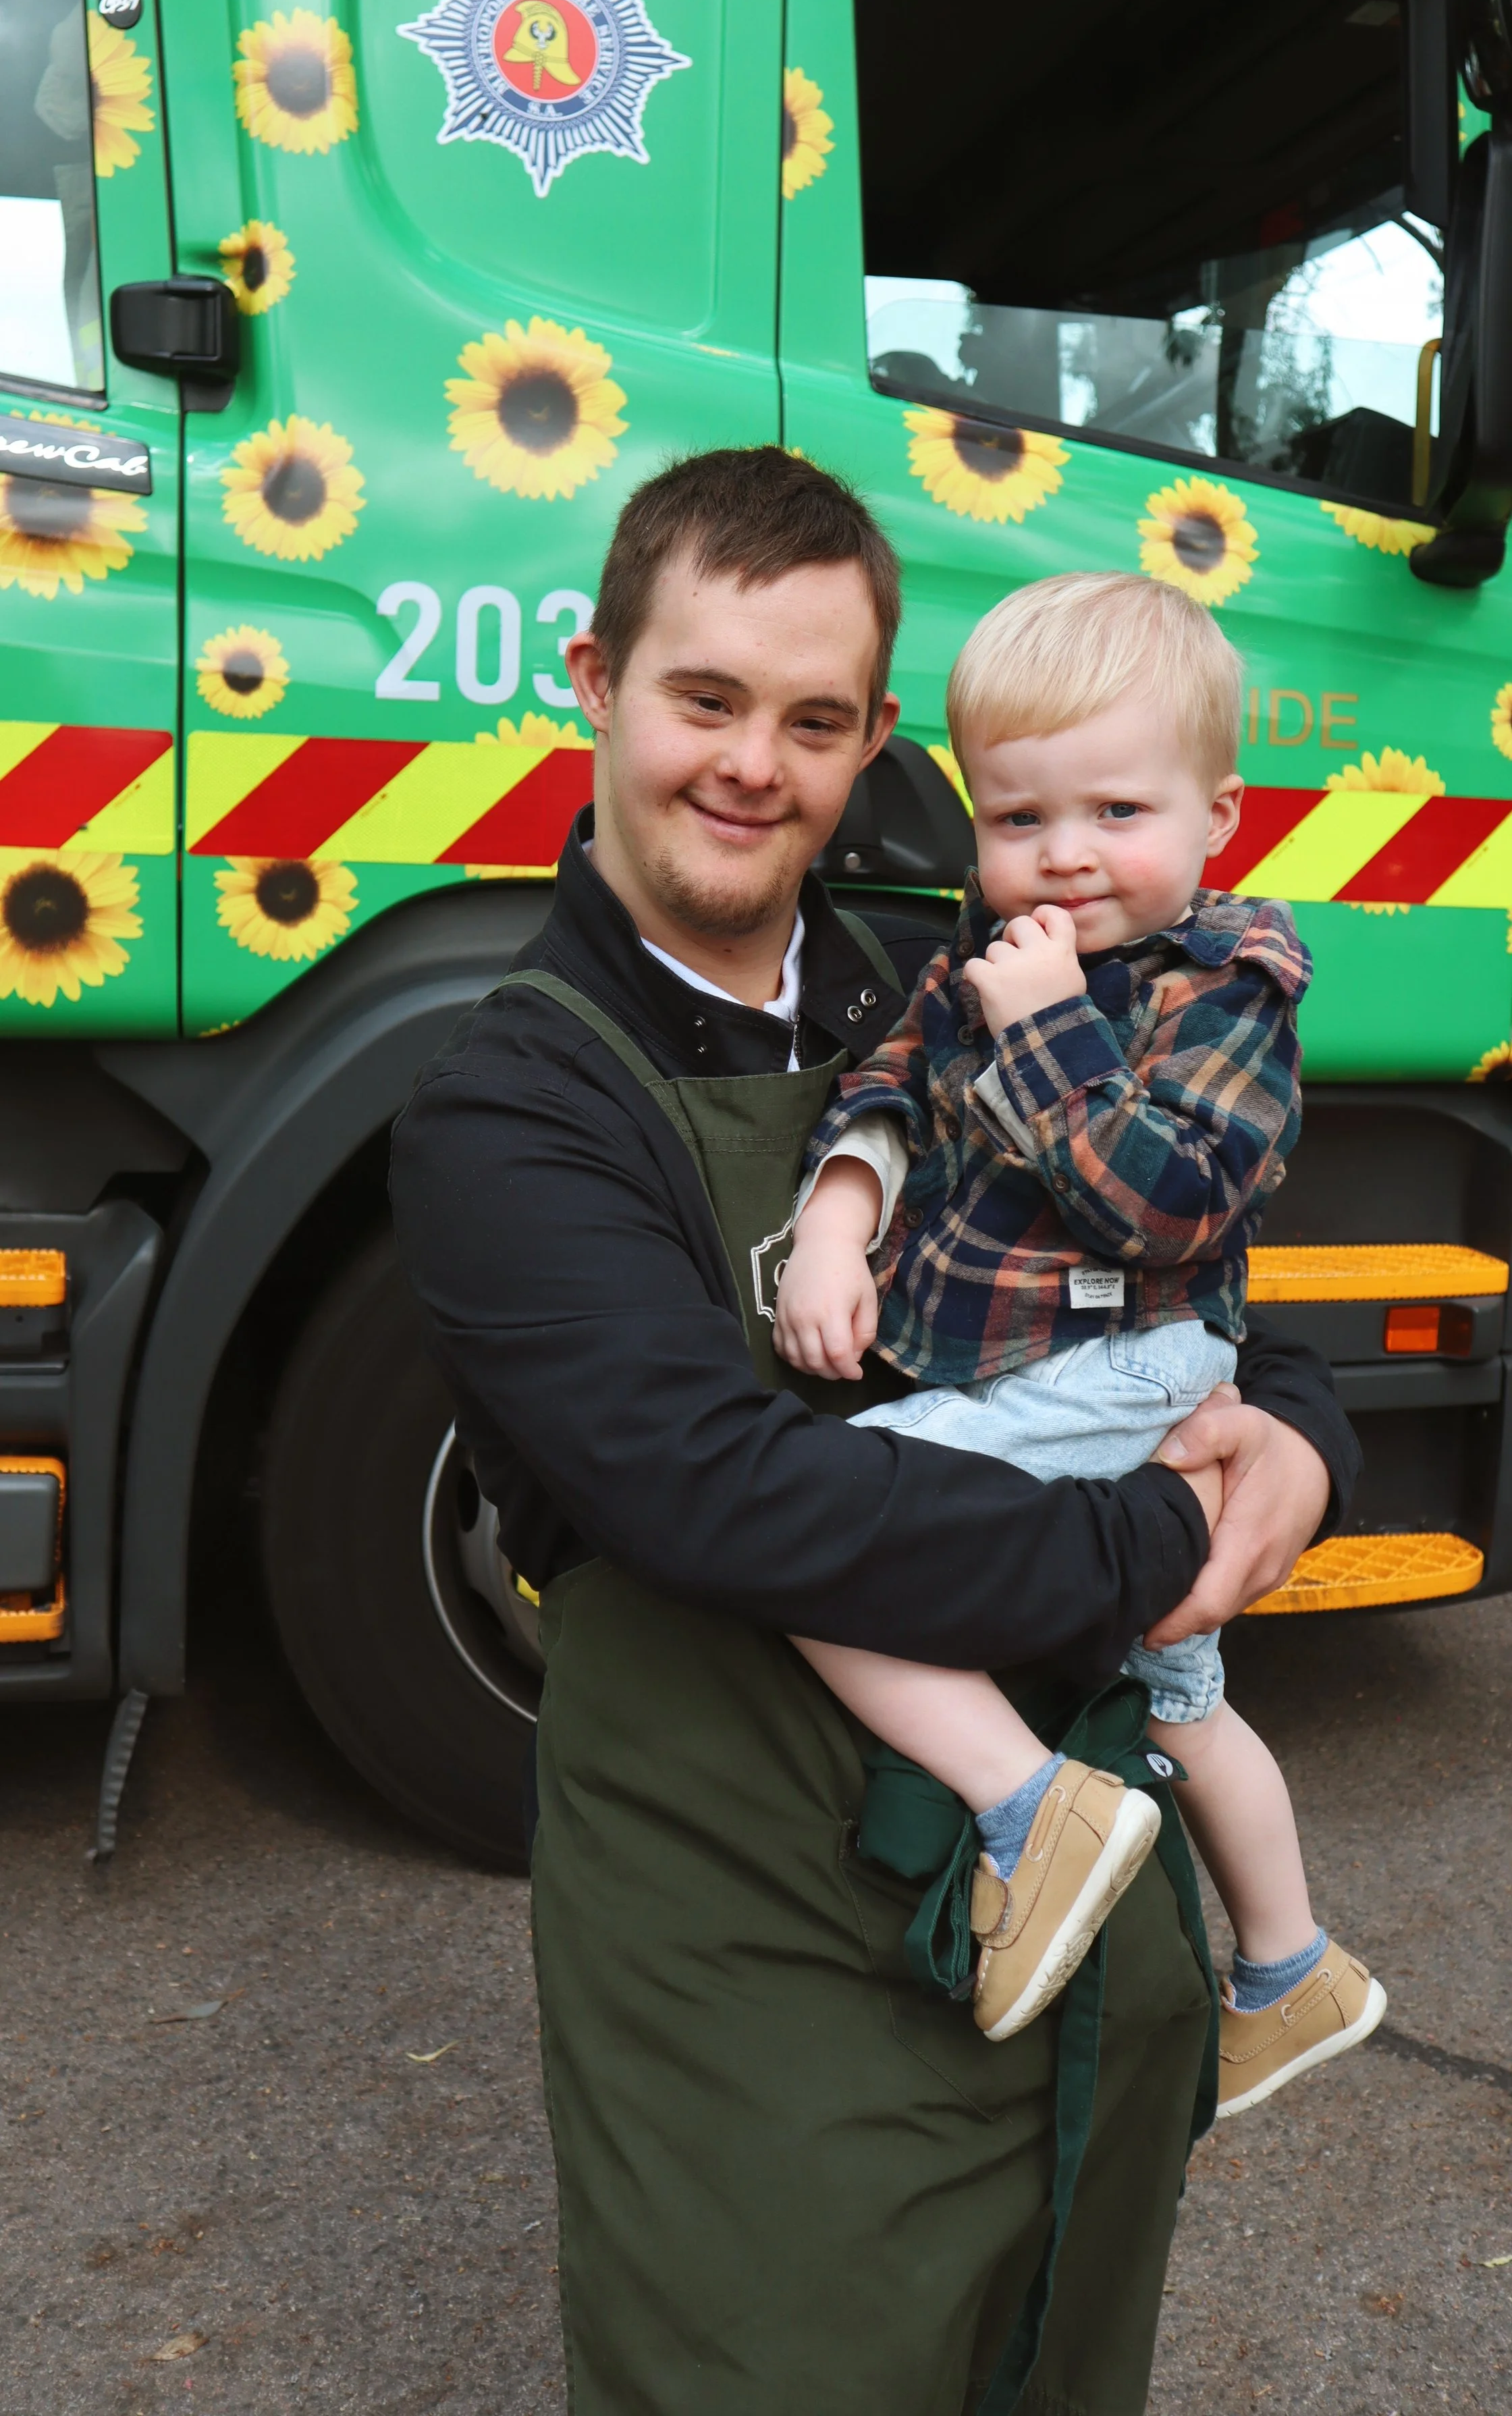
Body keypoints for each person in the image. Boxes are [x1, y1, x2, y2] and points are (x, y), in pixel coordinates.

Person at [389, 448, 1359, 2416]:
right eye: (707, 699)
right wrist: (1173, 1548)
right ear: (595, 683)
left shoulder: (966, 968)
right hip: (743, 1945)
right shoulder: (506, 1112)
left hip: (1056, 1925)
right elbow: (727, 1500)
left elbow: (1202, 1255)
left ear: (874, 743)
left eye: (814, 721)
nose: (757, 766)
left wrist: (1312, 1439)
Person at [774, 572, 1383, 2103]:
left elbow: (1167, 1206)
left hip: (1129, 1363)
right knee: (1183, 1692)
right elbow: (889, 1089)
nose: (1061, 856)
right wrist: (842, 1219)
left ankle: (1028, 1805)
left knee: (803, 1537)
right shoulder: (978, 956)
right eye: (1017, 816)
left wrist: (1048, 1026)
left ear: (1217, 819)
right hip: (1039, 1367)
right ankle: (1293, 1969)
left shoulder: (1227, 991)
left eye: (1117, 811)